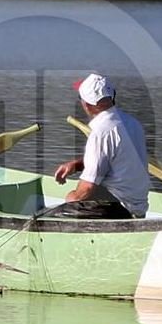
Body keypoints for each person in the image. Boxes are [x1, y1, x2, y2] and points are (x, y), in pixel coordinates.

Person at [51, 73, 150, 219]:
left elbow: (87, 188)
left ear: (86, 105)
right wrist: (77, 165)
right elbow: (114, 159)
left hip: (119, 209)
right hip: (138, 207)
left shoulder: (101, 132)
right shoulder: (132, 123)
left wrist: (71, 199)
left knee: (70, 199)